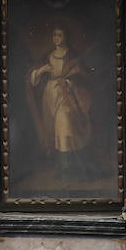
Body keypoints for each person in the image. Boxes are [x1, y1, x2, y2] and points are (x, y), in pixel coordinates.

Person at [27, 25, 92, 179]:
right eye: (55, 35)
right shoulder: (48, 56)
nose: (57, 38)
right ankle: (62, 166)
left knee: (65, 127)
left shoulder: (71, 55)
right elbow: (34, 79)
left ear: (66, 37)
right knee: (55, 130)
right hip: (50, 96)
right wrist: (41, 71)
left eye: (60, 35)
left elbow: (83, 74)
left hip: (67, 94)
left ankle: (67, 168)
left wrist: (71, 80)